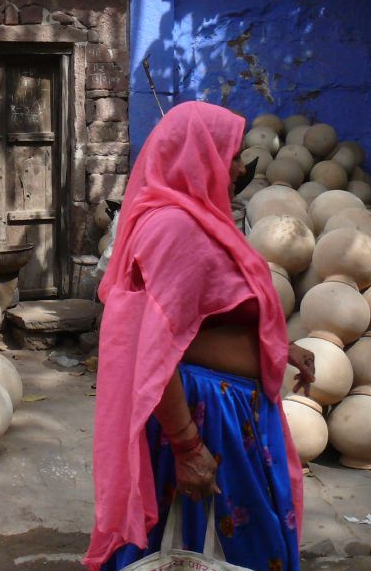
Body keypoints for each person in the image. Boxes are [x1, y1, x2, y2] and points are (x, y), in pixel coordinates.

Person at [85, 102, 314, 571]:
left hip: (225, 413)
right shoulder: (176, 228)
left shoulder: (196, 220)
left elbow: (201, 317)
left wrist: (277, 346)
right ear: (198, 155)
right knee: (214, 551)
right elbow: (154, 348)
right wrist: (188, 446)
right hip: (205, 419)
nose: (240, 168)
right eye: (231, 155)